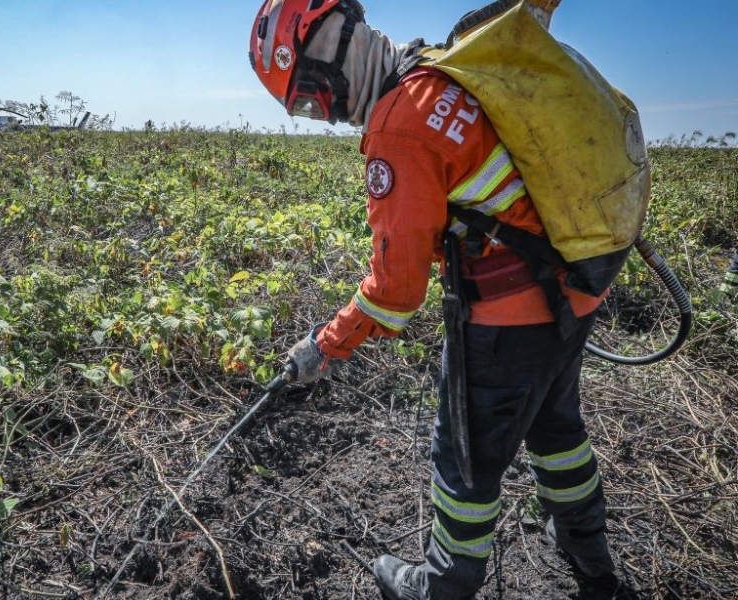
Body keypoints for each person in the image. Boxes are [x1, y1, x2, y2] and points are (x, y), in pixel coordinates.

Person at [249, 1, 624, 598]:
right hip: (573, 293)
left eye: (312, 98)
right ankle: (592, 558)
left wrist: (324, 344)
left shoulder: (398, 125)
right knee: (557, 430)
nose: (325, 116)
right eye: (305, 109)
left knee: (462, 460)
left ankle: (444, 584)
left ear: (333, 49)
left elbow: (395, 296)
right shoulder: (440, 74)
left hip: (507, 319)